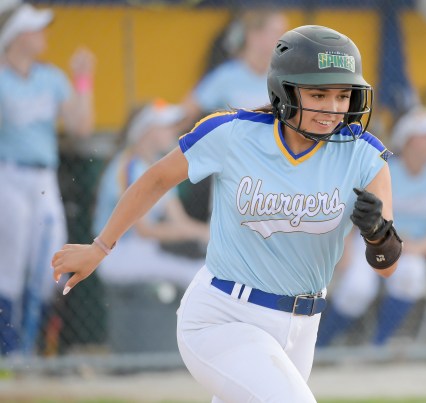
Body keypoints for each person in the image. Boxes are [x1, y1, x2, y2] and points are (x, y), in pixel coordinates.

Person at [52, 25, 402, 401]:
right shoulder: (233, 133)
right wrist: (100, 247)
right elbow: (155, 180)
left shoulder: (364, 154)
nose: (332, 108)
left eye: (342, 95)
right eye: (318, 94)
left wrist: (377, 232)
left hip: (303, 326)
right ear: (284, 91)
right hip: (225, 315)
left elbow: (387, 265)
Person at [317, 107, 426, 347]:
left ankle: (377, 346)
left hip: (412, 247)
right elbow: (351, 212)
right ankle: (321, 346)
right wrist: (345, 250)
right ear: (409, 141)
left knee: (412, 275)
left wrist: (416, 247)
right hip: (368, 240)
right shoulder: (381, 167)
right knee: (357, 288)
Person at [0, 0, 95, 356]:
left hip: (44, 178)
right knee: (9, 264)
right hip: (8, 174)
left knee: (49, 265)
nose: (42, 35)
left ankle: (34, 351)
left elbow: (81, 127)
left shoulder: (50, 77)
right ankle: (9, 351)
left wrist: (84, 79)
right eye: (34, 29)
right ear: (15, 35)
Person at [92, 99, 209, 289]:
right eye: (166, 126)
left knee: (206, 269)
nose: (174, 130)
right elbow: (144, 231)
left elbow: (179, 222)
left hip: (144, 249)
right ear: (147, 131)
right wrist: (202, 234)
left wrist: (211, 234)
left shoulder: (158, 167)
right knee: (197, 275)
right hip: (116, 253)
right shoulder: (128, 166)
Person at [181, 8, 288, 123]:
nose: (284, 41)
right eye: (276, 33)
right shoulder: (226, 75)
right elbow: (186, 113)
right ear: (253, 35)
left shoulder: (286, 77)